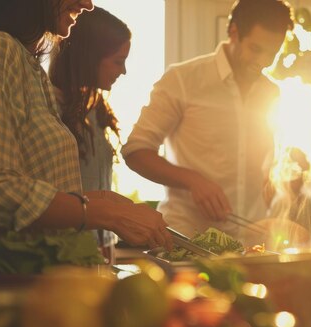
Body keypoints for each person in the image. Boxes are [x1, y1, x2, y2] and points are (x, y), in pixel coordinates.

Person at [0, 0, 172, 279]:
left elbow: (39, 186)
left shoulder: (27, 64)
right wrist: (108, 215)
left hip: (44, 284)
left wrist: (107, 201)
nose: (88, 4)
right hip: (11, 283)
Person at [122, 0, 295, 238]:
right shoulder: (182, 80)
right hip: (190, 239)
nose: (263, 61)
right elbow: (136, 151)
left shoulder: (271, 93)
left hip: (251, 242)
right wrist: (193, 180)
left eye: (272, 53)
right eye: (256, 49)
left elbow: (262, 170)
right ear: (233, 31)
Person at [48, 6, 131, 264]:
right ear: (90, 56)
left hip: (98, 255)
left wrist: (107, 253)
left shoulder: (94, 109)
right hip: (64, 255)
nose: (124, 71)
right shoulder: (49, 107)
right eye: (118, 61)